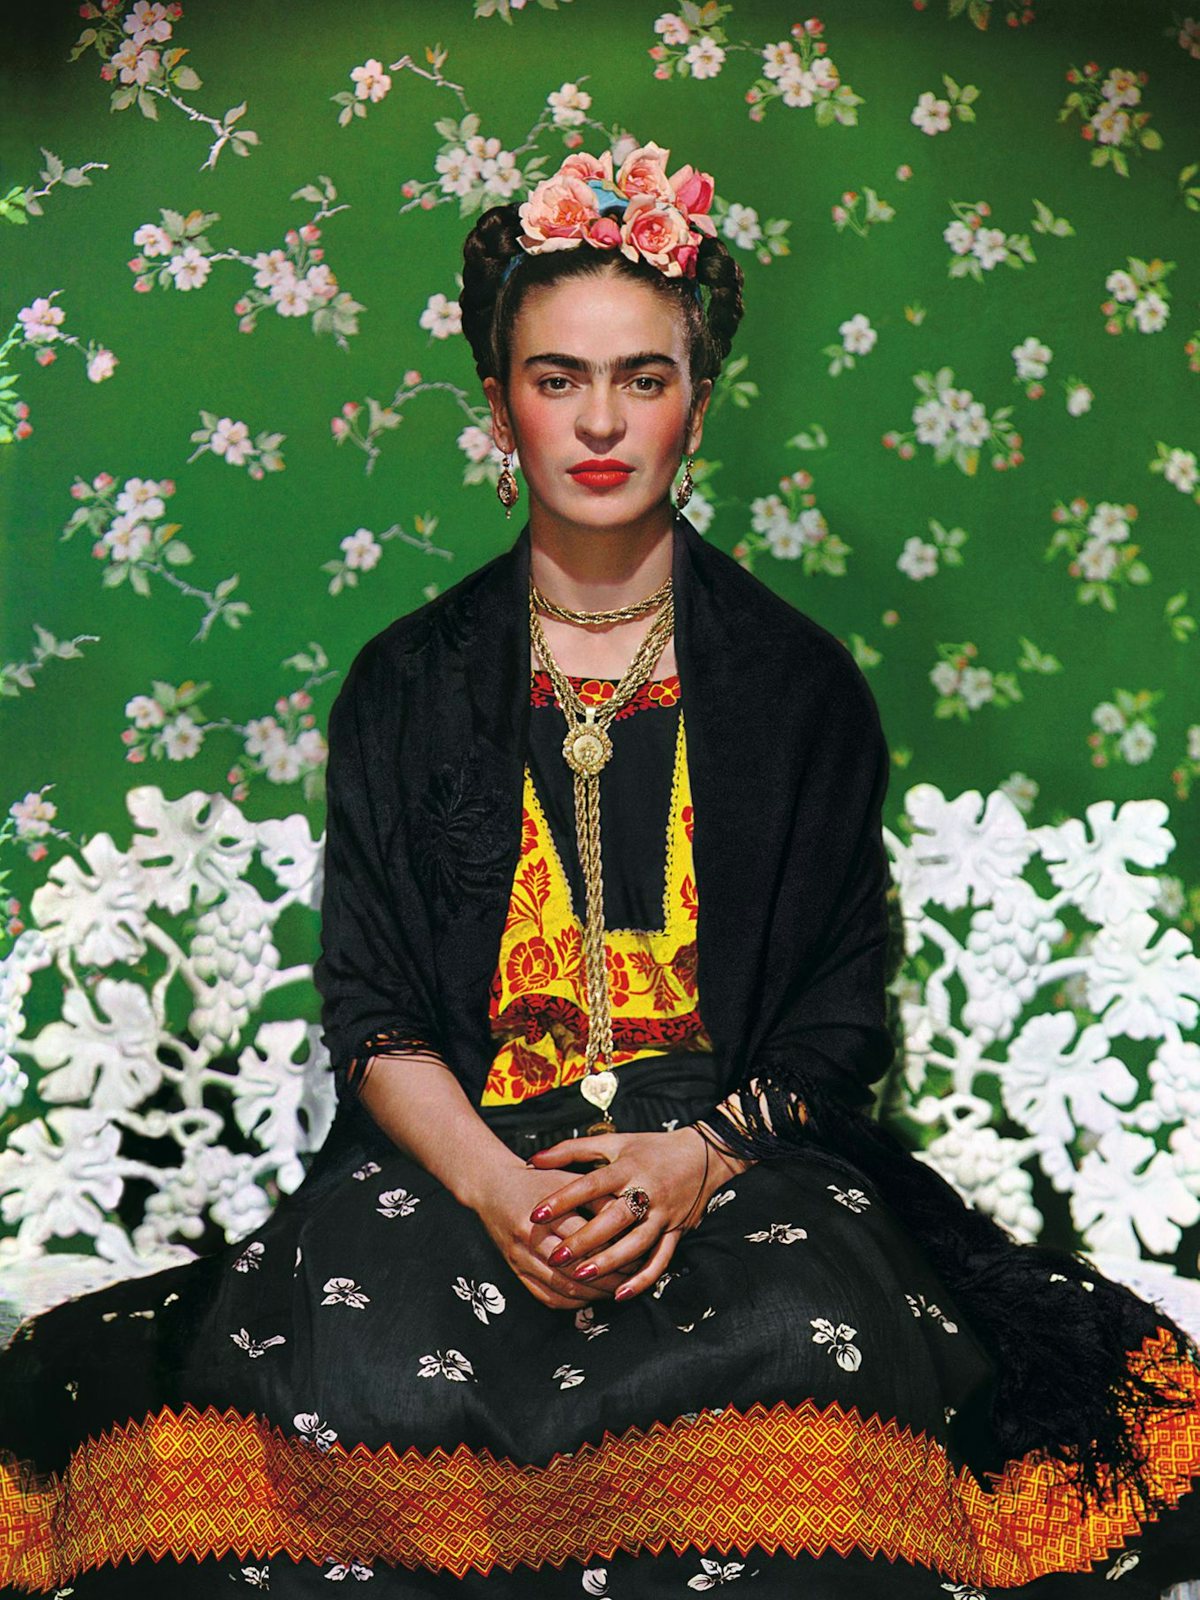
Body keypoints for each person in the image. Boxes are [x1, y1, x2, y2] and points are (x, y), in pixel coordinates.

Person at [2, 140, 1200, 1598]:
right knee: (348, 1369)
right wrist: (499, 1191)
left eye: (643, 377)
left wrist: (689, 1165)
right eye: (557, 377)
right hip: (463, 1163)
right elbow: (372, 1011)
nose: (600, 423)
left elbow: (838, 1022)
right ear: (497, 402)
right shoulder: (405, 683)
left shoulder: (798, 687)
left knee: (800, 1365)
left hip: (728, 1165)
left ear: (700, 399)